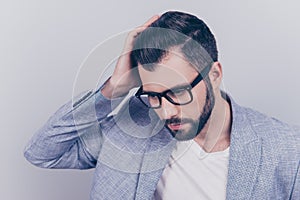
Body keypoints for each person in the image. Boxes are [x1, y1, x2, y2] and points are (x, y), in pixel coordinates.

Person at [24, 11, 300, 200]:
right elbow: (44, 153)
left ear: (214, 75)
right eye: (153, 95)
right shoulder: (131, 128)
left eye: (177, 93)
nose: (165, 112)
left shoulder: (286, 150)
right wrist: (114, 88)